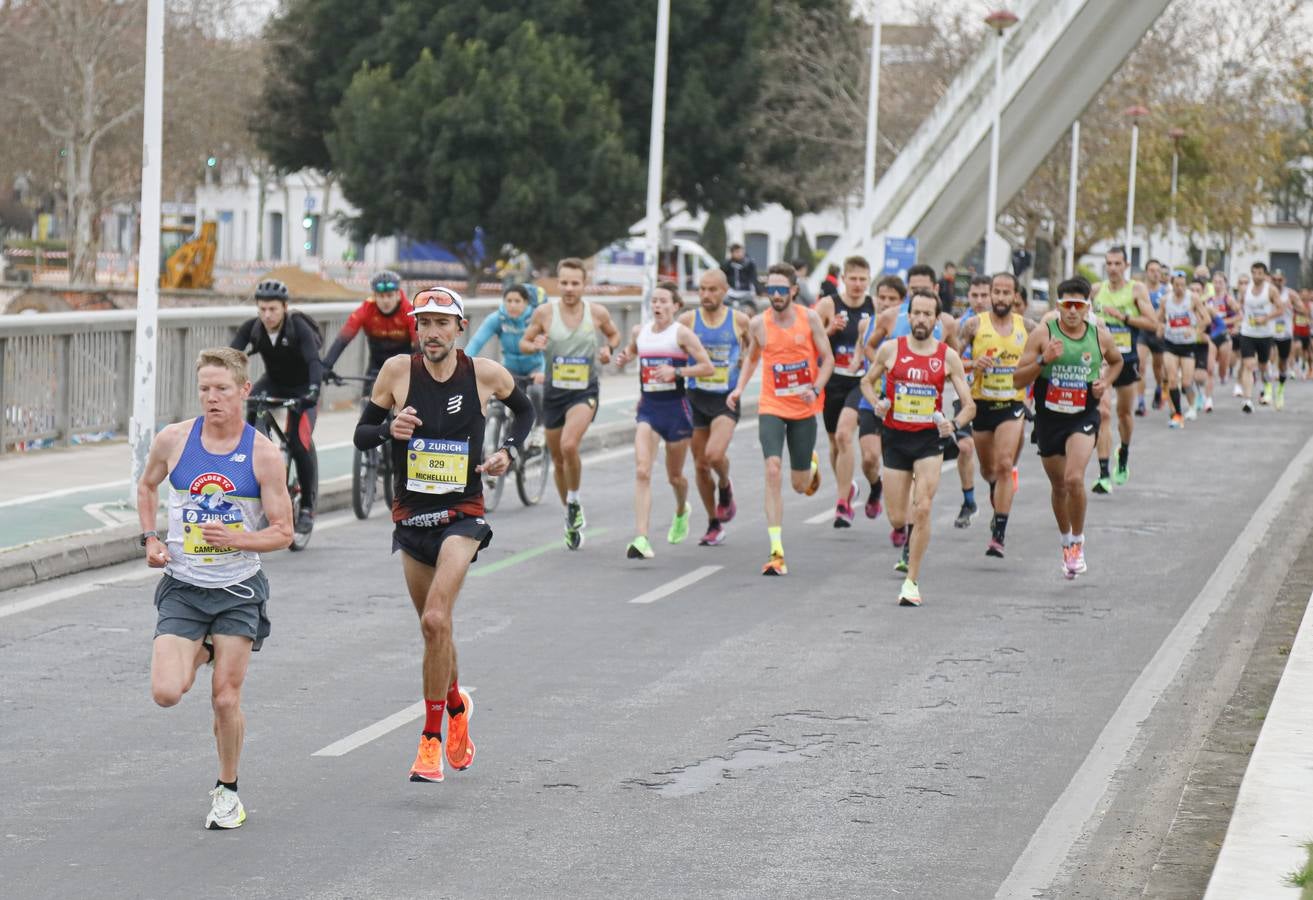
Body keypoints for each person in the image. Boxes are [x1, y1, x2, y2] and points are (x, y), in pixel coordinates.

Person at [353, 286, 535, 783]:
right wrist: (390, 427)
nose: (431, 333)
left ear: (459, 327)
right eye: (423, 323)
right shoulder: (397, 373)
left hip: (462, 513)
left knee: (437, 616)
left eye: (441, 323)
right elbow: (361, 434)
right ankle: (456, 706)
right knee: (435, 631)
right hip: (412, 517)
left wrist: (509, 452)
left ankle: (430, 740)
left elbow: (526, 411)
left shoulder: (484, 374)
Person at [138, 347, 294, 829]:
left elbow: (283, 532)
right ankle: (200, 645)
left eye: (222, 389)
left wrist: (239, 538)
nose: (212, 398)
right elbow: (147, 487)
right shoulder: (175, 440)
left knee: (225, 697)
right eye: (204, 389)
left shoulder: (263, 453)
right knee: (167, 692)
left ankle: (228, 790)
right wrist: (149, 538)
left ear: (244, 391)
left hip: (237, 589)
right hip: (183, 586)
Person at [860, 289, 974, 606]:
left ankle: (911, 582)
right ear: (908, 317)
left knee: (923, 507)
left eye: (928, 314)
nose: (921, 319)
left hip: (928, 440)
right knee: (898, 518)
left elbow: (969, 405)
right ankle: (903, 525)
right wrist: (876, 404)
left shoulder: (946, 356)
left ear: (937, 320)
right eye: (916, 313)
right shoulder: (890, 350)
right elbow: (866, 382)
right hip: (895, 438)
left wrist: (953, 423)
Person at [727, 262, 833, 576]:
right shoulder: (759, 324)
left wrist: (815, 389)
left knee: (800, 485)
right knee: (772, 469)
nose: (775, 295)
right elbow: (751, 358)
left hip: (803, 408)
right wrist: (738, 389)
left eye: (781, 290)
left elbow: (827, 360)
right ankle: (776, 550)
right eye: (770, 289)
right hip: (771, 405)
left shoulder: (809, 318)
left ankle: (810, 465)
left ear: (793, 291)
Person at [1014, 278, 1122, 579]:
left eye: (1079, 305)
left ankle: (1078, 541)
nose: (1072, 312)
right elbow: (1017, 379)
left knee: (1074, 478)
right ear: (1058, 306)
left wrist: (1105, 382)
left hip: (1082, 415)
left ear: (1088, 307)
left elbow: (1117, 362)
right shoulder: (1043, 334)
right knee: (1059, 486)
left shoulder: (1099, 336)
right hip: (1049, 418)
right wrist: (1043, 360)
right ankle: (1065, 538)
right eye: (1066, 305)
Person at [520, 258, 622, 549]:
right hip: (554, 392)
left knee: (568, 446)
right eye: (563, 282)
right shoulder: (545, 312)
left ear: (584, 284)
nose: (568, 288)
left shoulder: (597, 312)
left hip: (584, 391)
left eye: (575, 283)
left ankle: (574, 500)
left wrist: (607, 349)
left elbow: (613, 335)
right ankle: (570, 515)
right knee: (558, 460)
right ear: (558, 282)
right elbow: (525, 343)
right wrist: (534, 345)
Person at [614, 282, 715, 558]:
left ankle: (682, 509)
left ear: (676, 306)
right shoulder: (641, 331)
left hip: (676, 411)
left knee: (675, 476)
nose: (657, 306)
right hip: (648, 409)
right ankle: (641, 538)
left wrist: (677, 373)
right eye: (654, 301)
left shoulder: (682, 334)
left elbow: (708, 367)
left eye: (663, 301)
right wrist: (624, 356)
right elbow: (633, 348)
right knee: (642, 471)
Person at [230, 279, 323, 537]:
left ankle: (307, 508)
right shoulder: (254, 329)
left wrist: (313, 391)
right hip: (273, 384)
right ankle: (262, 466)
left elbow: (315, 362)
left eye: (272, 309)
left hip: (303, 387)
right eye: (262, 309)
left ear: (284, 307)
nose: (267, 315)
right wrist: (224, 383)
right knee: (251, 433)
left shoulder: (299, 328)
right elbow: (231, 356)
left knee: (298, 441)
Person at [957, 272, 1035, 558]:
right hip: (982, 405)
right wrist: (973, 364)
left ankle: (998, 533)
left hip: (1012, 405)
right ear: (990, 294)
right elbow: (951, 361)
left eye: (1007, 292)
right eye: (996, 292)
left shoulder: (1027, 326)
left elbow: (1042, 356)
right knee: (988, 470)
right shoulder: (974, 325)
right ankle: (994, 489)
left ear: (1015, 296)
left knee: (1004, 465)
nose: (1001, 297)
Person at [678, 269, 751, 546]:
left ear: (724, 291)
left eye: (712, 290)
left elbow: (754, 347)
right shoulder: (688, 320)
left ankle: (725, 485)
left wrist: (744, 358)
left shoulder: (739, 320)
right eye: (702, 289)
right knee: (699, 465)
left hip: (725, 398)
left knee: (714, 454)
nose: (706, 295)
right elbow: (674, 348)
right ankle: (713, 522)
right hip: (695, 397)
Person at [815, 255, 878, 528]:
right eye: (853, 279)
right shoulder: (829, 305)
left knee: (844, 434)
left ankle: (842, 504)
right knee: (835, 443)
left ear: (869, 280)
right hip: (833, 381)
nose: (857, 284)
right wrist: (829, 330)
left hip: (860, 382)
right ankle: (850, 487)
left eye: (863, 279)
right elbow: (810, 339)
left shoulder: (874, 307)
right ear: (843, 279)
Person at [1088, 246, 1156, 494]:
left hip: (1126, 360)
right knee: (1104, 412)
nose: (1113, 268)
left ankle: (1124, 452)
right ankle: (1104, 473)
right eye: (1109, 263)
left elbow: (1153, 323)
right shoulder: (1096, 291)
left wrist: (1124, 318)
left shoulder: (1136, 290)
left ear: (1126, 265)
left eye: (1118, 263)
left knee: (1124, 414)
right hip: (1102, 360)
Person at [322, 269, 416, 391]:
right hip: (376, 367)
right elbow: (343, 339)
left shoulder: (409, 311)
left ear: (398, 295)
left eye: (390, 295)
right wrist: (326, 365)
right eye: (381, 296)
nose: (385, 301)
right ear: (374, 296)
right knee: (368, 404)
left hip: (405, 366)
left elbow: (420, 345)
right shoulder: (366, 310)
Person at [465, 284, 547, 423]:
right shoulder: (497, 319)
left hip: (536, 368)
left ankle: (539, 428)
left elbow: (548, 347)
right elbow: (477, 342)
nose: (512, 305)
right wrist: (463, 363)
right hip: (510, 368)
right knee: (500, 397)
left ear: (526, 303)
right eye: (508, 301)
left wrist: (543, 372)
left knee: (536, 392)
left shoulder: (536, 319)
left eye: (517, 301)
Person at [1158, 272, 1213, 427]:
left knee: (1187, 382)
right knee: (1173, 379)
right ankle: (1177, 413)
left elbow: (1206, 319)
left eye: (1183, 285)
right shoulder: (1165, 300)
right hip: (1170, 343)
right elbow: (1159, 318)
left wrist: (1194, 330)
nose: (1180, 288)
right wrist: (1161, 326)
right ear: (1172, 284)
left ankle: (1192, 406)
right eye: (1177, 285)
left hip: (1188, 345)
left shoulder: (1193, 298)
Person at [1238, 261, 1283, 413]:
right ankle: (1248, 400)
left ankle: (1267, 386)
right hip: (1248, 332)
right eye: (1254, 273)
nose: (1257, 276)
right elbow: (1240, 306)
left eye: (1260, 273)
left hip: (1265, 334)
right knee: (1249, 365)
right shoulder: (1245, 289)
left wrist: (1266, 318)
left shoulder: (1271, 290)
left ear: (1265, 274)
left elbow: (1280, 309)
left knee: (1263, 366)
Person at [1136, 259, 1168, 416]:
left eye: (1158, 270)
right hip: (1142, 332)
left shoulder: (1166, 291)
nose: (1155, 273)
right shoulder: (1140, 290)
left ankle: (1159, 388)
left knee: (1158, 367)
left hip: (1159, 334)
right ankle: (1141, 403)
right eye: (1151, 270)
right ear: (1146, 272)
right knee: (1140, 366)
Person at [1271, 270, 1296, 408]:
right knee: (1270, 355)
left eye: (1279, 280)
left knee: (1282, 362)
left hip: (1285, 332)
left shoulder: (1290, 294)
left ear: (1284, 281)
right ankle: (1267, 388)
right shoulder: (1267, 293)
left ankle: (1280, 388)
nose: (1277, 282)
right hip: (1269, 331)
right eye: (1274, 279)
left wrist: (1293, 307)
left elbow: (1303, 310)